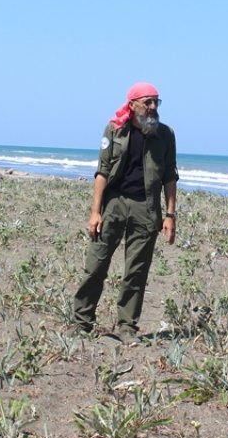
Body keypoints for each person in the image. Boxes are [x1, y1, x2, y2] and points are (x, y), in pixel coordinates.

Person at [71, 82, 178, 343]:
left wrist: (170, 215)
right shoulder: (115, 129)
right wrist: (95, 212)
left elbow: (169, 176)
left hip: (146, 207)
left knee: (136, 271)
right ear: (132, 105)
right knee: (96, 265)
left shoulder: (166, 135)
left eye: (156, 102)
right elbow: (102, 171)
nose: (153, 107)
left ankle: (127, 326)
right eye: (147, 102)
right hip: (114, 204)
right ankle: (81, 322)